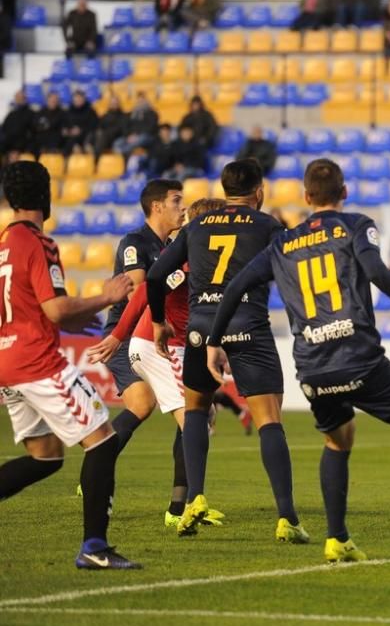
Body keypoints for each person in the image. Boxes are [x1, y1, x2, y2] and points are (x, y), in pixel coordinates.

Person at [206, 158, 390, 561]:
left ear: (306, 196)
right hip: (357, 355)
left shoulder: (281, 243)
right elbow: (376, 272)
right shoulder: (354, 225)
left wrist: (215, 342)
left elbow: (234, 288)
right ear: (344, 192)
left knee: (337, 439)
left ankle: (337, 538)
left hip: (312, 363)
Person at [146, 159, 306, 541]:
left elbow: (154, 275)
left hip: (200, 328)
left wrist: (158, 321)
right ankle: (287, 518)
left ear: (223, 188)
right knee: (268, 419)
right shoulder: (268, 225)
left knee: (196, 411)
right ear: (259, 191)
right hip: (247, 323)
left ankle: (194, 500)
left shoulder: (197, 224)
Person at [0, 160, 139, 569]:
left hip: (6, 361)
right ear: (45, 196)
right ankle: (94, 547)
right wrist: (106, 296)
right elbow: (56, 309)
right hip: (36, 361)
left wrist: (81, 316)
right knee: (103, 440)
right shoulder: (37, 242)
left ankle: (95, 546)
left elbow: (32, 309)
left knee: (45, 455)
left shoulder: (3, 244)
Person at [86, 196, 227, 528]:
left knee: (202, 416)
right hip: (156, 346)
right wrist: (117, 336)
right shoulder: (187, 259)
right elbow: (146, 292)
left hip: (177, 347)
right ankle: (185, 507)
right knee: (196, 421)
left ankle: (183, 504)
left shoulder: (206, 257)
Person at [99, 179, 185, 470]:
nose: (182, 207)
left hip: (156, 336)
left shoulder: (172, 246)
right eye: (176, 200)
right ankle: (96, 469)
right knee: (142, 403)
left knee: (193, 407)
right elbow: (138, 290)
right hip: (124, 335)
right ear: (157, 206)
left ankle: (183, 496)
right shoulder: (134, 242)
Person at [113, 91, 159, 157]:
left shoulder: (152, 113)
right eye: (139, 99)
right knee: (117, 142)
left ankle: (124, 151)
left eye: (142, 99)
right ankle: (123, 152)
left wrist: (136, 135)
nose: (140, 102)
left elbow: (150, 128)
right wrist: (128, 135)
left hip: (145, 136)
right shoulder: (131, 113)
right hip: (131, 136)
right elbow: (125, 126)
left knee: (141, 139)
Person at [61, 90, 98, 156]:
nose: (78, 100)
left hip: (86, 136)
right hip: (72, 137)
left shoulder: (90, 111)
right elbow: (64, 124)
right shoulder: (68, 111)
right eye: (76, 98)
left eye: (80, 98)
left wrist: (81, 130)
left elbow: (94, 125)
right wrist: (67, 130)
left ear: (84, 99)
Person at [1, 90, 35, 159]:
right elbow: (3, 129)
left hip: (21, 148)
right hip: (8, 147)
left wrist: (16, 149)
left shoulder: (30, 114)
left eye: (21, 98)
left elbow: (31, 133)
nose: (19, 100)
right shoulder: (11, 114)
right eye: (17, 98)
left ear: (25, 99)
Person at [92, 93, 128, 159]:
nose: (114, 104)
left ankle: (95, 157)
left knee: (103, 136)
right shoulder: (105, 116)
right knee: (97, 134)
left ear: (119, 104)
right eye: (112, 103)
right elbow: (99, 126)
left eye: (116, 103)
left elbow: (122, 130)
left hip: (116, 139)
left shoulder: (123, 116)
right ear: (109, 104)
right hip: (104, 139)